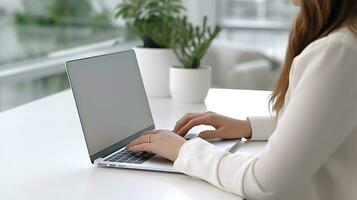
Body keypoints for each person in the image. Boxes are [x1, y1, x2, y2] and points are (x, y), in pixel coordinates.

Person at [127, 0, 357, 199]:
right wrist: (249, 126)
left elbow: (265, 184)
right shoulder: (345, 41)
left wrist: (183, 151)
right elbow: (333, 120)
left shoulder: (337, 51)